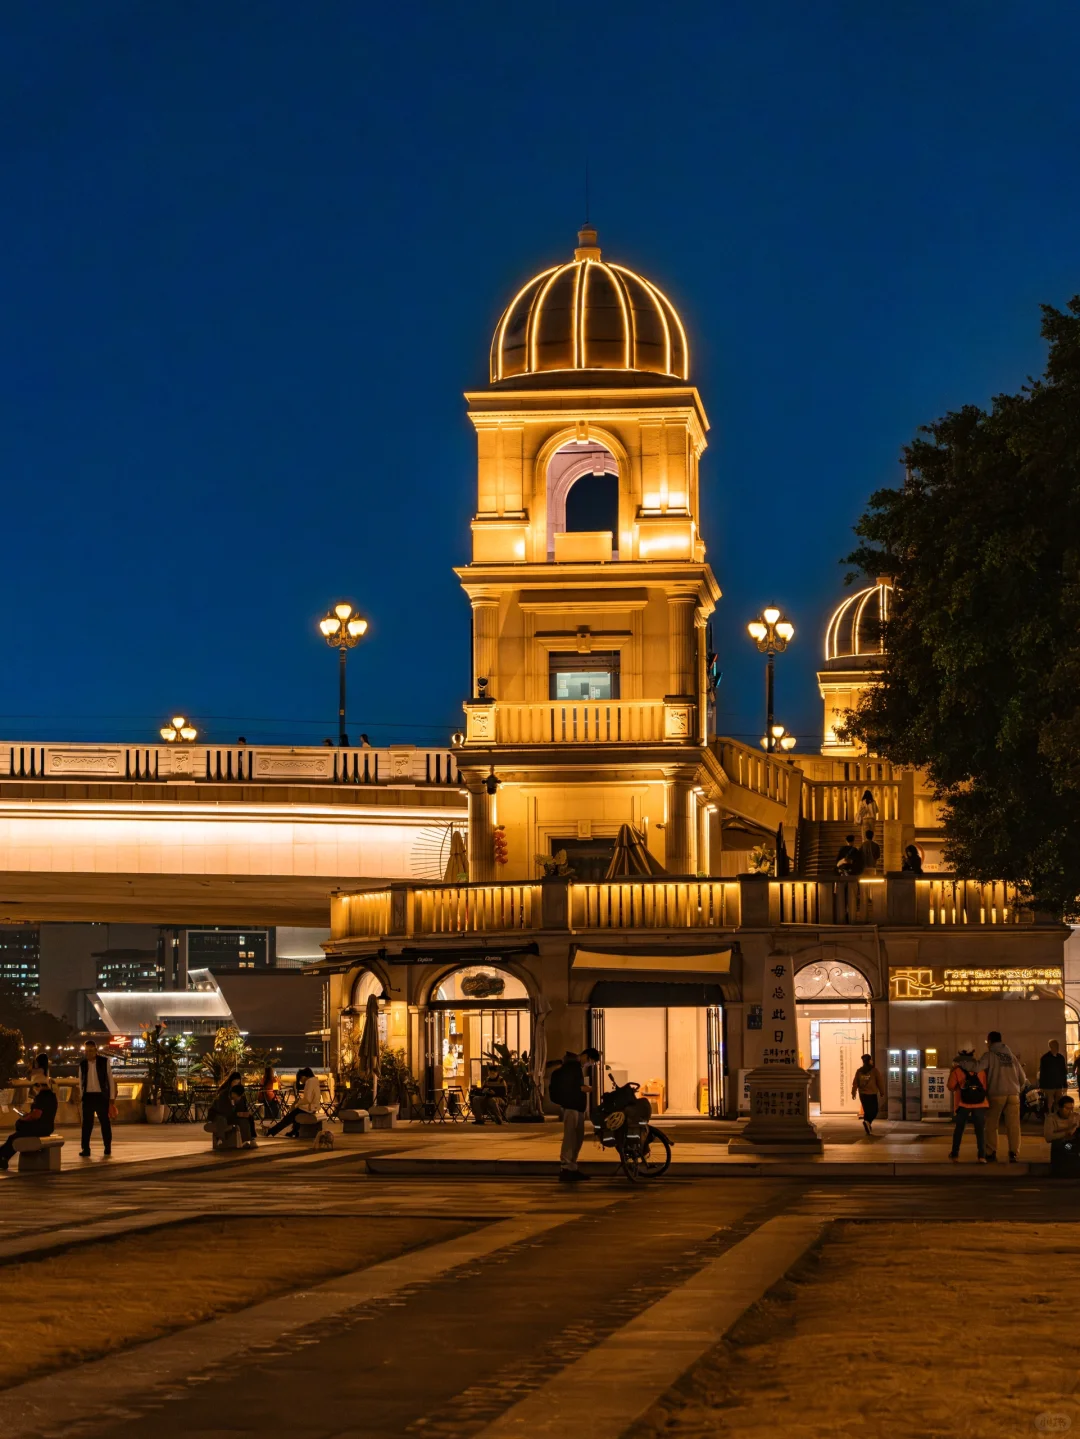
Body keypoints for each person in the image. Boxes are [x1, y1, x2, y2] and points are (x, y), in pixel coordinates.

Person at [549, 1047, 599, 1182]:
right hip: (571, 1107)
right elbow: (572, 1087)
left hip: (576, 1107)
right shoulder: (572, 1067)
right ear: (586, 1056)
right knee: (571, 1137)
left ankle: (571, 1166)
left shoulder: (573, 1066)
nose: (589, 1065)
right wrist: (585, 1089)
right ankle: (566, 1166)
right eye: (591, 1062)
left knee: (577, 1137)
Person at [977, 1030, 1027, 1162]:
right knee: (1014, 1125)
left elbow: (977, 1067)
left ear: (990, 1041)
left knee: (992, 1124)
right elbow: (1023, 1078)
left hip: (997, 1093)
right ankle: (1013, 1152)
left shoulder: (989, 1055)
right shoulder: (1011, 1056)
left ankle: (991, 1151)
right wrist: (1017, 1089)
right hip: (1013, 1094)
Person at [0, 1079, 59, 1169]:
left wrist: (24, 1118)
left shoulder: (41, 1097)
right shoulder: (52, 1096)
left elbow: (36, 1115)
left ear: (38, 1085)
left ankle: (3, 1157)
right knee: (14, 1137)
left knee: (14, 1136)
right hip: (48, 1128)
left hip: (38, 1128)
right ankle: (3, 1158)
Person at [947, 1048, 989, 1163]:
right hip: (980, 1103)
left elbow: (950, 1086)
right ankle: (982, 1156)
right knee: (980, 1130)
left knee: (959, 1129)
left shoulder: (957, 1071)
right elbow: (984, 1087)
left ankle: (955, 1153)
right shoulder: (980, 1071)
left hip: (963, 1104)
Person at [78, 1039, 117, 1158]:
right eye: (87, 1051)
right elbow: (81, 1082)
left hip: (101, 1097)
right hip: (88, 1097)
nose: (89, 1053)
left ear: (95, 1050)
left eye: (91, 1050)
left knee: (105, 1123)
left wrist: (111, 1098)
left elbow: (110, 1080)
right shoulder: (82, 1064)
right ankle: (85, 1148)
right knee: (86, 1125)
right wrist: (81, 1097)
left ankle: (107, 1147)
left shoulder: (104, 1062)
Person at [267, 1068, 321, 1138]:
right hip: (314, 1107)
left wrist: (297, 1103)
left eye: (300, 1079)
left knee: (288, 1118)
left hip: (310, 1108)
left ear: (304, 1076)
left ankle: (271, 1131)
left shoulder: (309, 1082)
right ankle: (294, 1131)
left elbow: (307, 1099)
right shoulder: (315, 1081)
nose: (301, 1081)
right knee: (294, 1114)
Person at [208, 1076, 258, 1148]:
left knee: (244, 1121)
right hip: (218, 1114)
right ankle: (220, 1139)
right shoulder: (223, 1096)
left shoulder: (240, 1098)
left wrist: (244, 1114)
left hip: (232, 1116)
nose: (238, 1098)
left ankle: (246, 1141)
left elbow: (241, 1110)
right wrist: (238, 1114)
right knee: (222, 1119)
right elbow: (224, 1112)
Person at [1044, 1095, 1080, 1175]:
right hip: (1062, 1145)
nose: (1070, 1111)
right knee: (1068, 1148)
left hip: (1074, 1142)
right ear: (1060, 1108)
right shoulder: (1051, 1119)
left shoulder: (1076, 1117)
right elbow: (1048, 1137)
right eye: (1067, 1109)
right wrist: (1066, 1132)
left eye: (1071, 1108)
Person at [850, 1054, 885, 1136]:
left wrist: (853, 1092)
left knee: (867, 1110)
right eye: (871, 1060)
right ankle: (867, 1122)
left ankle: (867, 1124)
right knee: (874, 1110)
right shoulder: (874, 1071)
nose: (872, 1061)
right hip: (872, 1093)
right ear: (869, 1061)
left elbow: (855, 1083)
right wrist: (882, 1091)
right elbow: (879, 1081)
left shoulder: (859, 1071)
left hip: (862, 1094)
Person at [1039, 1039, 1068, 1114]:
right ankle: (1049, 1118)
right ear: (1050, 1047)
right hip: (1049, 1086)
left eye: (1057, 1046)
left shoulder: (1061, 1058)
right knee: (1049, 1104)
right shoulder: (1045, 1058)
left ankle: (1056, 1117)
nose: (1057, 1047)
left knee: (1058, 1104)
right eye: (1055, 1046)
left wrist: (1065, 1085)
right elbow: (1042, 1073)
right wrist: (1041, 1086)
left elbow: (1063, 1072)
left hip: (1058, 1085)